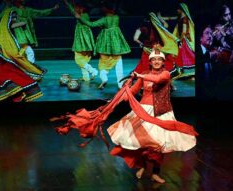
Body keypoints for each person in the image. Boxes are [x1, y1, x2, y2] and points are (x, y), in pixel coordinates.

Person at [53, 50, 197, 183]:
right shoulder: (144, 75)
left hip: (162, 113)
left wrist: (139, 75)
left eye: (160, 59)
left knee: (159, 144)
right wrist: (117, 98)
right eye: (154, 60)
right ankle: (142, 165)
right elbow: (132, 92)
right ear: (151, 62)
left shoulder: (165, 74)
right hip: (143, 112)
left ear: (163, 62)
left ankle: (155, 172)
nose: (157, 62)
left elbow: (158, 79)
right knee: (142, 142)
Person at [76, 2, 131, 89]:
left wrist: (80, 18)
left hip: (105, 46)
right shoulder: (116, 18)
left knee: (103, 64)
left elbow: (92, 24)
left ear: (106, 9)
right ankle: (120, 84)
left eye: (103, 7)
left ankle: (104, 78)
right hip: (116, 45)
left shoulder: (104, 19)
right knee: (118, 62)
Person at [0, 9, 43, 102]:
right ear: (8, 18)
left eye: (15, 17)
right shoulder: (4, 31)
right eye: (13, 17)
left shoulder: (7, 30)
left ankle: (30, 72)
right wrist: (24, 22)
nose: (14, 19)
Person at [63, 0, 98, 82]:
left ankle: (92, 70)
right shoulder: (83, 14)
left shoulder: (84, 15)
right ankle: (86, 77)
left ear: (82, 8)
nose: (75, 9)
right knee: (83, 59)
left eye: (77, 8)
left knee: (78, 59)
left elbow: (75, 14)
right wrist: (70, 4)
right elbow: (74, 11)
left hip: (83, 40)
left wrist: (70, 4)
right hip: (83, 40)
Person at [196, 25, 219, 101]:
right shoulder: (196, 52)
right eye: (207, 33)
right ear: (200, 38)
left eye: (211, 34)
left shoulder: (214, 53)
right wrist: (209, 55)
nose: (210, 36)